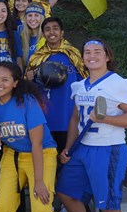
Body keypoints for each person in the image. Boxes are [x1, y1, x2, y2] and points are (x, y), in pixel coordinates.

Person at [57, 39, 127, 212]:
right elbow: (75, 119)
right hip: (82, 149)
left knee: (109, 207)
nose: (92, 55)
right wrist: (69, 147)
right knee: (66, 192)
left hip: (108, 148)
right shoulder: (79, 85)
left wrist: (107, 119)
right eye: (87, 52)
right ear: (82, 58)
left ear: (107, 57)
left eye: (97, 51)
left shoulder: (118, 83)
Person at [0, 62, 57, 212]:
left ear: (15, 83)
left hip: (41, 154)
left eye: (5, 80)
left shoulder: (27, 101)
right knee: (2, 208)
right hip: (13, 155)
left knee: (42, 211)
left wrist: (39, 181)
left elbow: (37, 143)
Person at [26, 17, 88, 153]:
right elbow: (29, 88)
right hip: (45, 117)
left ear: (62, 32)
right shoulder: (36, 57)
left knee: (67, 158)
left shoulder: (74, 55)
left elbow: (85, 82)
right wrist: (28, 78)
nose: (51, 32)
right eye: (47, 29)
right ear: (43, 34)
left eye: (55, 28)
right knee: (47, 160)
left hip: (68, 117)